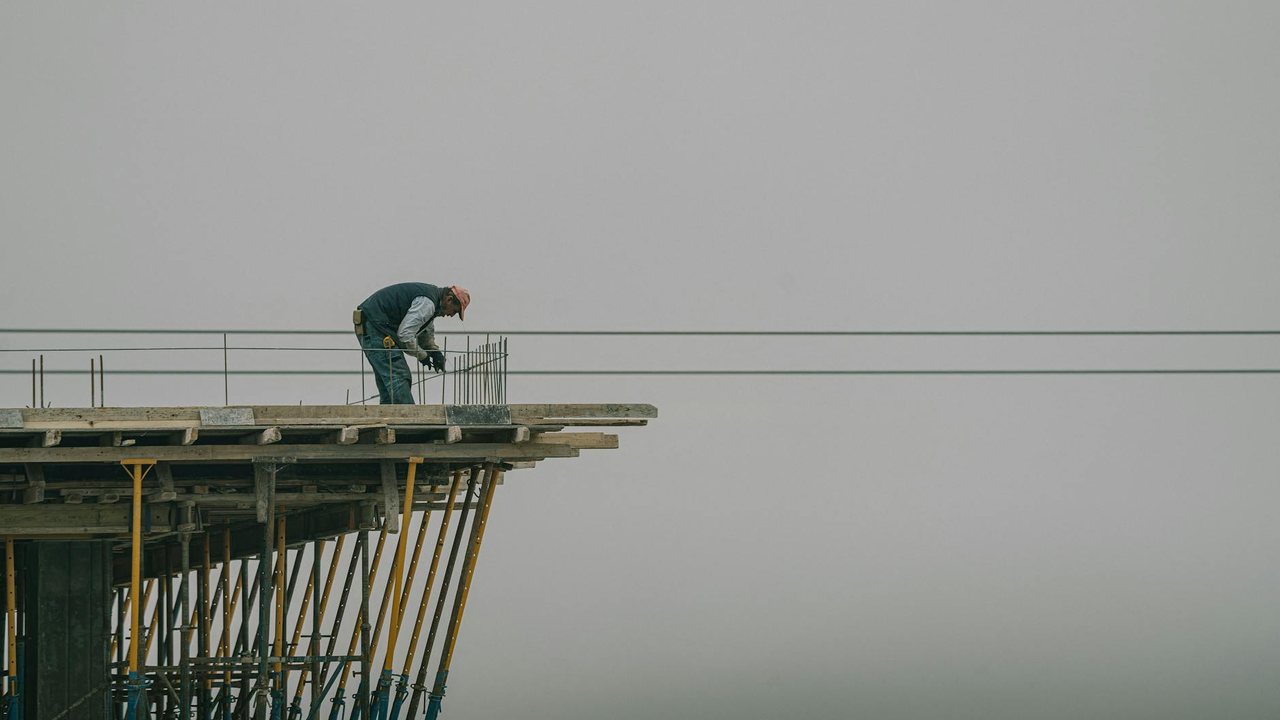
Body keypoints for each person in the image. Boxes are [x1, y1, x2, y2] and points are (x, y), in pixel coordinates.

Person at [353, 282, 470, 404]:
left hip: (372, 323)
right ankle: (407, 418)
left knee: (388, 381)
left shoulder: (432, 303)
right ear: (449, 299)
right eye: (455, 311)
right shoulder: (428, 304)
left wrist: (435, 352)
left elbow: (425, 333)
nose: (451, 315)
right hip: (375, 326)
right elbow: (405, 335)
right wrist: (423, 356)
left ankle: (389, 417)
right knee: (399, 376)